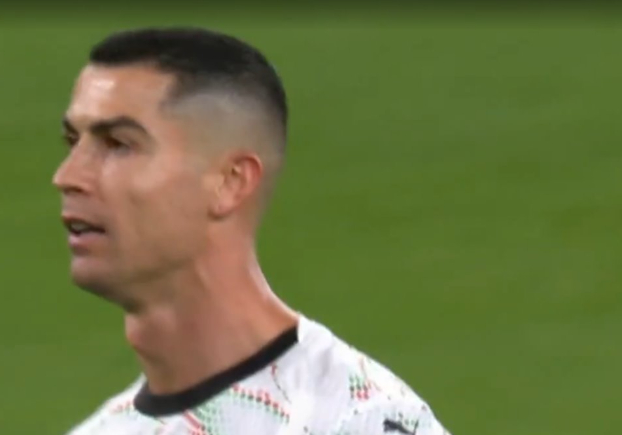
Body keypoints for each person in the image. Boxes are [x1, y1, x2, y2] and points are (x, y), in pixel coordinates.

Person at [54, 27, 450, 435]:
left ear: (230, 182)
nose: (67, 176)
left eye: (118, 144)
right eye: (72, 142)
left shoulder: (354, 419)